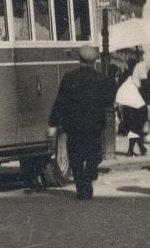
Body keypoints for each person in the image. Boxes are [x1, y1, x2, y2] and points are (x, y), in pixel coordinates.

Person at [46, 44, 115, 200]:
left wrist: (52, 124)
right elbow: (108, 101)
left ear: (79, 60)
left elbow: (60, 103)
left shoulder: (69, 78)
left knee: (76, 158)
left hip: (74, 126)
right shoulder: (102, 80)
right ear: (94, 61)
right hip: (94, 126)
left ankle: (81, 188)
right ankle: (89, 179)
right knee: (94, 156)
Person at [116, 60, 150, 156]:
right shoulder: (140, 69)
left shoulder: (129, 78)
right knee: (136, 127)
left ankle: (140, 148)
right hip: (132, 103)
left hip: (126, 102)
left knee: (135, 127)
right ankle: (131, 150)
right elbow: (144, 82)